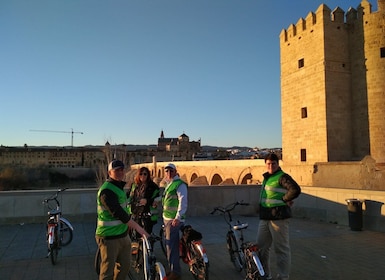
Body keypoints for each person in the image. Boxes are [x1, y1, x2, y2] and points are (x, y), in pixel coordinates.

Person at [95, 159, 149, 280]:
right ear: (109, 173)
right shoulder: (106, 190)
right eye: (116, 170)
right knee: (107, 271)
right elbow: (119, 214)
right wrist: (140, 229)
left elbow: (125, 210)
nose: (120, 172)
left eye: (121, 170)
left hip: (123, 235)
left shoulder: (118, 188)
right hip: (108, 237)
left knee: (124, 266)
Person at [256, 153, 301, 280]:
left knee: (281, 249)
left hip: (279, 218)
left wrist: (285, 199)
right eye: (268, 164)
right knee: (262, 248)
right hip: (265, 217)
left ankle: (283, 276)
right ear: (265, 164)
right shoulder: (267, 177)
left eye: (273, 163)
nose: (270, 166)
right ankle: (265, 274)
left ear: (278, 164)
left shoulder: (282, 177)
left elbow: (295, 189)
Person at [162, 163, 188, 280]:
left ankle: (175, 272)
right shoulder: (170, 184)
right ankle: (172, 268)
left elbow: (183, 202)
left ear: (175, 172)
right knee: (169, 245)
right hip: (167, 219)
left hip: (173, 221)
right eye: (166, 171)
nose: (168, 173)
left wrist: (177, 218)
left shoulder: (179, 184)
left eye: (171, 171)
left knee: (171, 246)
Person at [128, 167, 160, 234]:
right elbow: (128, 197)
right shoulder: (134, 185)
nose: (142, 176)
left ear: (148, 175)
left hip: (147, 215)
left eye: (145, 174)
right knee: (135, 236)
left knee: (145, 236)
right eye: (141, 174)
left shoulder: (153, 187)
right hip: (135, 214)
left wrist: (147, 201)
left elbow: (157, 199)